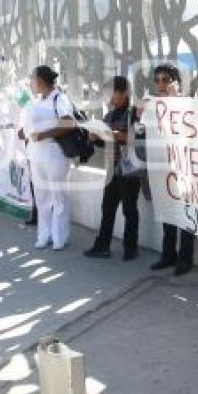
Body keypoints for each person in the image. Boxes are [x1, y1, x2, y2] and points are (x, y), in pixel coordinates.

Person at [84, 76, 142, 261]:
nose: (109, 97)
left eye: (112, 93)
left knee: (129, 210)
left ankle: (130, 248)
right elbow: (106, 142)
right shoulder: (109, 115)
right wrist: (96, 137)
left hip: (129, 170)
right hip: (112, 169)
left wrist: (111, 134)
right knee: (107, 208)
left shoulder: (134, 114)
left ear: (124, 93)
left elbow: (134, 137)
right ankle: (102, 245)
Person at [148, 63, 196, 276]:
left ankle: (185, 259)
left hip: (185, 169)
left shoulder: (187, 104)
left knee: (185, 215)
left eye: (166, 80)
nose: (161, 84)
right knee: (168, 213)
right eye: (157, 80)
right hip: (164, 168)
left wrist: (175, 98)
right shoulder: (154, 106)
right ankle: (168, 255)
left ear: (176, 82)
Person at [20, 65, 75, 250]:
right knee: (42, 198)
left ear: (41, 81)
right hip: (36, 154)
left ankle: (60, 237)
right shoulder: (35, 102)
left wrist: (44, 134)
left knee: (58, 197)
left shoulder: (59, 98)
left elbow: (68, 123)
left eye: (32, 79)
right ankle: (44, 235)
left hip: (55, 154)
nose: (30, 83)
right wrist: (24, 131)